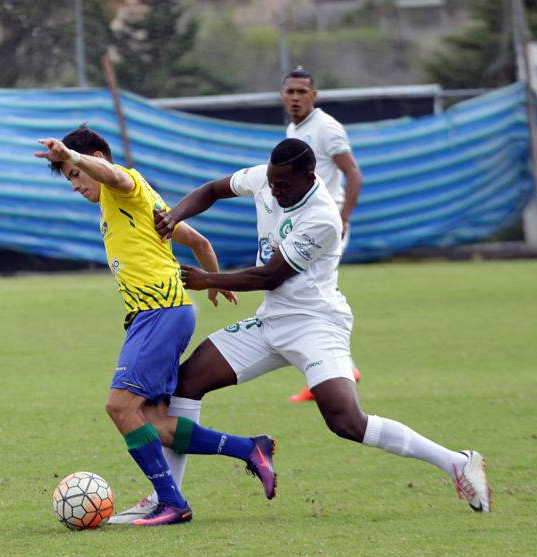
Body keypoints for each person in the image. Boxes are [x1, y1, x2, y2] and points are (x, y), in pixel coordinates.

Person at [114, 138, 491, 520]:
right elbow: (212, 190)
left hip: (315, 324)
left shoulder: (322, 217)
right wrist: (173, 215)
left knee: (345, 421)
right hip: (270, 321)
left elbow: (271, 275)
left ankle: (456, 462)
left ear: (309, 177)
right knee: (186, 382)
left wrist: (208, 278)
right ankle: (169, 498)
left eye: (283, 185)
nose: (274, 190)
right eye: (272, 182)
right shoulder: (267, 178)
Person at [34, 125, 277, 527]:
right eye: (69, 179)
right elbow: (200, 242)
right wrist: (214, 282)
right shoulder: (136, 206)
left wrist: (72, 156)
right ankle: (251, 448)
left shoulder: (123, 185)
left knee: (120, 406)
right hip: (162, 313)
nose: (75, 184)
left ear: (95, 157)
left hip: (160, 311)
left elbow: (112, 174)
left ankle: (171, 501)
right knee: (157, 423)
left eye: (75, 176)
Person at [281, 66, 363, 403]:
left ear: (314, 95)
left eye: (302, 92)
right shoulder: (293, 129)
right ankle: (340, 368)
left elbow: (353, 174)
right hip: (304, 226)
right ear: (283, 96)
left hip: (326, 228)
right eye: (291, 92)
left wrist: (343, 217)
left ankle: (331, 372)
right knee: (304, 295)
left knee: (307, 296)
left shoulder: (327, 128)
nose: (296, 98)